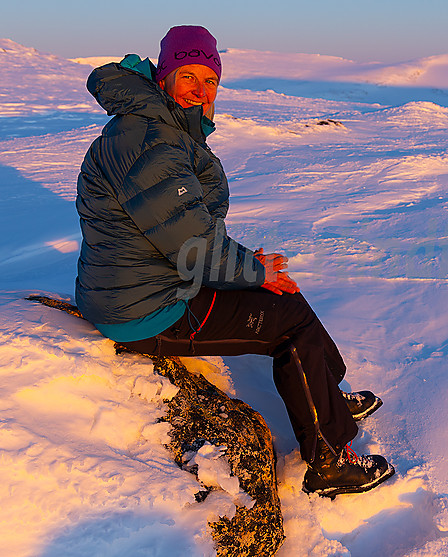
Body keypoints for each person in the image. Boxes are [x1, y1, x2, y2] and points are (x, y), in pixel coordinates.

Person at [75, 25, 394, 498]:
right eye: (189, 77)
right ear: (165, 78)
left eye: (211, 81)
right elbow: (194, 248)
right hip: (148, 309)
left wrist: (254, 269)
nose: (201, 91)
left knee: (280, 289)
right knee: (288, 323)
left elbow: (186, 231)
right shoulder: (151, 141)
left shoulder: (160, 127)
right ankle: (330, 461)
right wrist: (252, 269)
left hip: (155, 281)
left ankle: (328, 393)